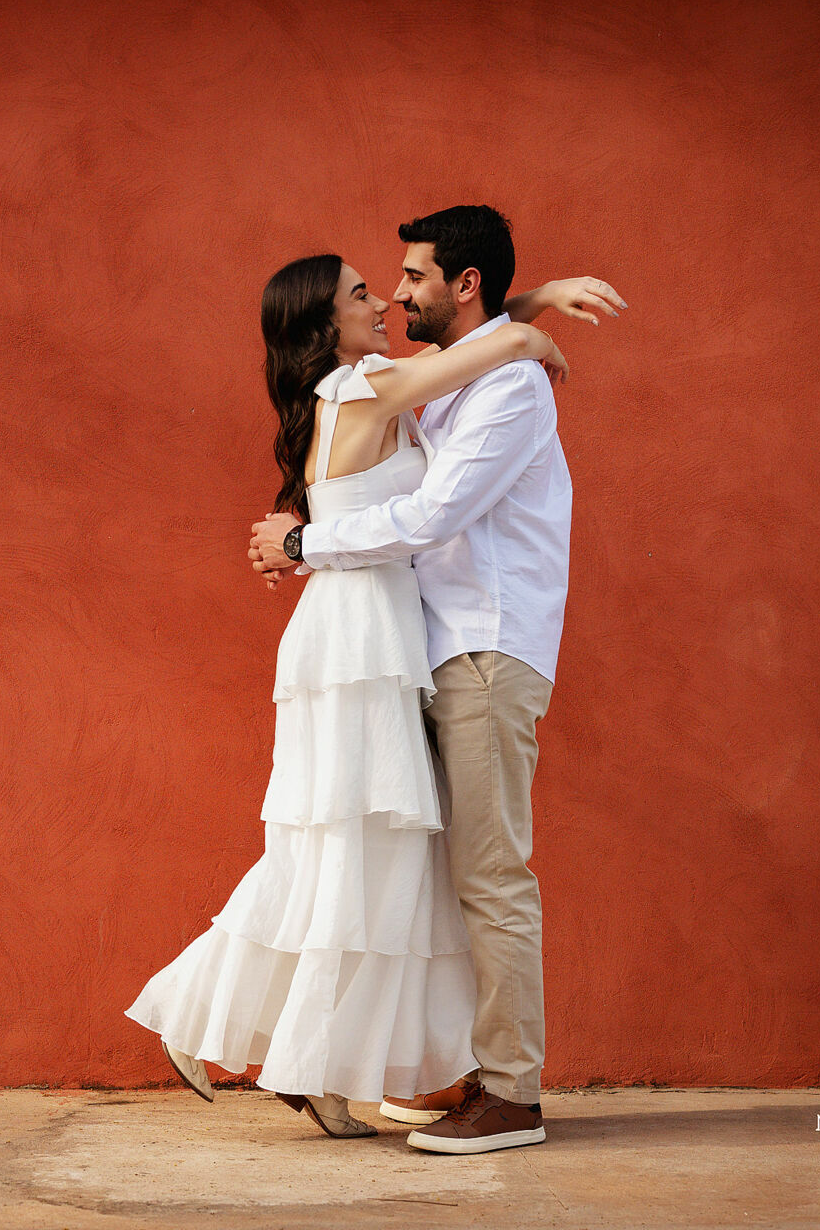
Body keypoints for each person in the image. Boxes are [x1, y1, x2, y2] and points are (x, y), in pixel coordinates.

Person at [125, 247, 600, 1138]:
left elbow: (463, 340)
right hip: (360, 644)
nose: (382, 299)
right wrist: (532, 327)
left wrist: (527, 305)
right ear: (324, 326)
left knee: (357, 854)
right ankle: (217, 1018)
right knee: (349, 852)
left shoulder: (355, 388)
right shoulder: (364, 386)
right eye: (359, 294)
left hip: (371, 634)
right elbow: (473, 349)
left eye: (391, 285)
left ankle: (305, 1057)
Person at [250, 205, 624, 1153]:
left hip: (485, 652)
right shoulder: (464, 370)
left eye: (411, 276)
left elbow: (429, 516)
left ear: (459, 285)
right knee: (432, 871)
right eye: (384, 283)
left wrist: (303, 543)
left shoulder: (510, 391)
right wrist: (527, 306)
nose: (396, 291)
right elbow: (450, 356)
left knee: (490, 873)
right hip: (431, 650)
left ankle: (511, 1093)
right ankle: (459, 1067)